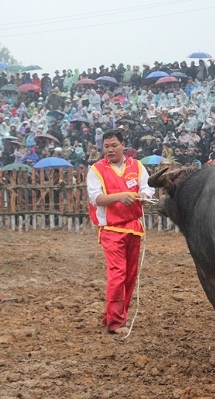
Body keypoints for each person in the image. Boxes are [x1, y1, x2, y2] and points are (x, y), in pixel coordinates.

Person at [86, 129, 155, 335]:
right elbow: (96, 198)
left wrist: (143, 194)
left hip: (134, 227)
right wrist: (119, 196)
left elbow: (148, 188)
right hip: (111, 228)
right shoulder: (96, 169)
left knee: (130, 275)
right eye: (106, 146)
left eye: (113, 145)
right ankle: (115, 322)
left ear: (123, 145)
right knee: (118, 273)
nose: (109, 150)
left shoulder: (137, 166)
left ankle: (113, 315)